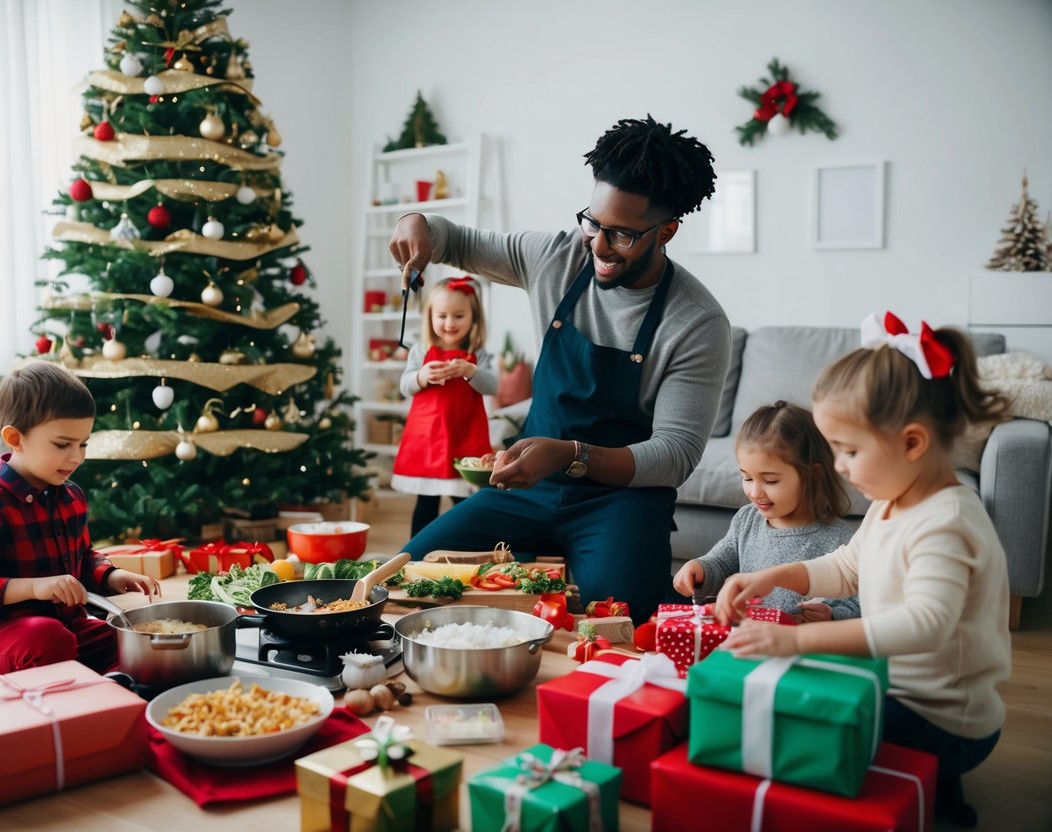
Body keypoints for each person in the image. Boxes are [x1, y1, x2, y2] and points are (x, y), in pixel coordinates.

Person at [389, 115, 730, 623]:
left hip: (621, 501)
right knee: (405, 577)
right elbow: (452, 239)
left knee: (625, 620)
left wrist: (571, 455)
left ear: (667, 231)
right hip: (528, 488)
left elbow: (674, 455)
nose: (596, 245)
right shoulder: (557, 257)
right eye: (592, 222)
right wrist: (415, 222)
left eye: (621, 234)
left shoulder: (696, 321)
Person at [714, 311, 1012, 828]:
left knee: (802, 733)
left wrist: (796, 642)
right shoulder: (892, 502)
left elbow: (926, 623)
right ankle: (933, 794)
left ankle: (932, 794)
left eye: (850, 451)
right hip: (900, 687)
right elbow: (847, 567)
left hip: (941, 716)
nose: (841, 467)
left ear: (912, 443)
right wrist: (774, 576)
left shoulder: (946, 521)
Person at [0, 362, 160, 682]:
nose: (76, 457)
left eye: (83, 444)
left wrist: (111, 575)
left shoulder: (71, 497)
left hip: (67, 627)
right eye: (63, 445)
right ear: (15, 438)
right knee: (50, 640)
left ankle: (91, 684)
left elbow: (81, 559)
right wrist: (33, 587)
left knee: (135, 642)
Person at [673, 401, 860, 622]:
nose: (754, 492)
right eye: (747, 477)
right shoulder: (747, 519)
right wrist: (700, 569)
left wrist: (832, 615)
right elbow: (722, 561)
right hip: (746, 637)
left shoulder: (839, 538)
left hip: (799, 645)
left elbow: (858, 602)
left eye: (770, 480)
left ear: (812, 475)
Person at [390, 276, 497, 536]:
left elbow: (492, 386)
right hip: (428, 437)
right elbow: (405, 386)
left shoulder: (478, 353)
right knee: (426, 501)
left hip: (464, 435)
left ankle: (472, 544)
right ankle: (415, 552)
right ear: (431, 317)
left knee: (465, 499)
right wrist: (421, 376)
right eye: (442, 316)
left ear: (473, 317)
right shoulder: (420, 350)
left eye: (458, 316)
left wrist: (471, 371)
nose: (450, 323)